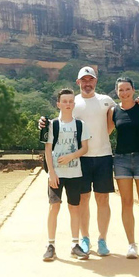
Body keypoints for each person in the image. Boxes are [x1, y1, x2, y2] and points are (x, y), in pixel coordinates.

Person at [40, 66, 115, 256]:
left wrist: (101, 136)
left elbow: (117, 117)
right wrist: (42, 123)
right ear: (78, 82)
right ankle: (84, 238)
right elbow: (58, 124)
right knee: (82, 199)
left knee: (103, 199)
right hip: (81, 159)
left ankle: (102, 240)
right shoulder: (74, 102)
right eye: (84, 80)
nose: (88, 83)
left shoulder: (106, 100)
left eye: (91, 80)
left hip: (103, 155)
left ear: (96, 81)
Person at [107, 77, 139, 259]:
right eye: (121, 90)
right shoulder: (113, 111)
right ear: (117, 92)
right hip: (121, 159)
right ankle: (131, 244)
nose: (124, 93)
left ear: (134, 89)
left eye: (127, 89)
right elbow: (104, 132)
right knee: (126, 203)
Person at [43, 88, 90, 262]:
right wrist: (51, 173)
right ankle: (50, 245)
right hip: (57, 173)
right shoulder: (52, 124)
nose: (68, 104)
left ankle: (74, 244)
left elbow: (85, 148)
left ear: (74, 104)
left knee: (74, 208)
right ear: (58, 104)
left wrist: (71, 156)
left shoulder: (80, 125)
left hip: (75, 172)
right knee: (54, 207)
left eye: (71, 101)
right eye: (64, 101)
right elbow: (48, 149)